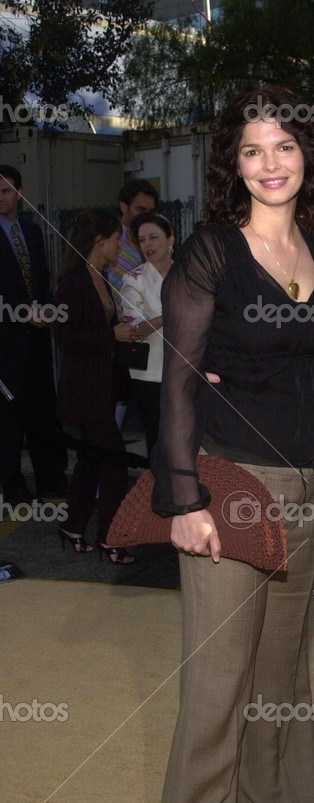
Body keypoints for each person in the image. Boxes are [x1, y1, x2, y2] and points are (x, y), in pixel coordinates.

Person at [150, 85, 314, 803]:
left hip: (309, 486)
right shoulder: (210, 252)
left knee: (280, 671)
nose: (270, 165)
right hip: (228, 486)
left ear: (307, 156)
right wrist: (182, 496)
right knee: (217, 684)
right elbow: (180, 380)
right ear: (235, 161)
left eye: (285, 147)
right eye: (253, 150)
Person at [54, 210, 138, 563]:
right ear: (98, 241)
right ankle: (109, 537)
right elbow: (65, 337)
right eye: (117, 238)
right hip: (84, 390)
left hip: (102, 386)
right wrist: (110, 335)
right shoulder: (72, 283)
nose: (121, 243)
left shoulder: (101, 277)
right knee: (114, 463)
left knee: (90, 461)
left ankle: (73, 526)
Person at [0, 164, 68, 506]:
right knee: (9, 418)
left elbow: (40, 278)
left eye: (6, 191)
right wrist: (22, 313)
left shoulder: (32, 231)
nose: (1, 198)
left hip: (38, 338)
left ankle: (51, 479)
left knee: (43, 408)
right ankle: (12, 485)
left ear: (19, 193)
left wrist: (48, 309)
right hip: (6, 340)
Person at [120, 212, 174, 456]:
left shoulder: (189, 274)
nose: (148, 245)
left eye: (154, 237)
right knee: (157, 436)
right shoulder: (134, 279)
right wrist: (167, 316)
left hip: (187, 367)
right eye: (142, 240)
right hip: (151, 373)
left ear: (171, 238)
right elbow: (133, 329)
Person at [105, 179, 159, 309]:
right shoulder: (109, 238)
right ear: (124, 207)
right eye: (140, 210)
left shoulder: (155, 241)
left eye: (151, 212)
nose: (146, 216)